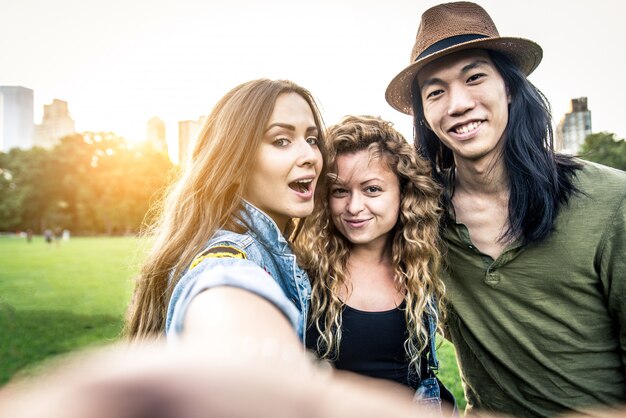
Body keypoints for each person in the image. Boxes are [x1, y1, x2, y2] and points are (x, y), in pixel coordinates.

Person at [385, 2, 626, 417]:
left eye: (475, 77)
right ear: (424, 113)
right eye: (435, 91)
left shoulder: (609, 199)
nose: (458, 104)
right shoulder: (420, 215)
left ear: (510, 88)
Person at [298, 115, 454, 410]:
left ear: (403, 192)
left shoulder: (425, 266)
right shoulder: (305, 273)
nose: (354, 207)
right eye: (340, 191)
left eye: (372, 189)